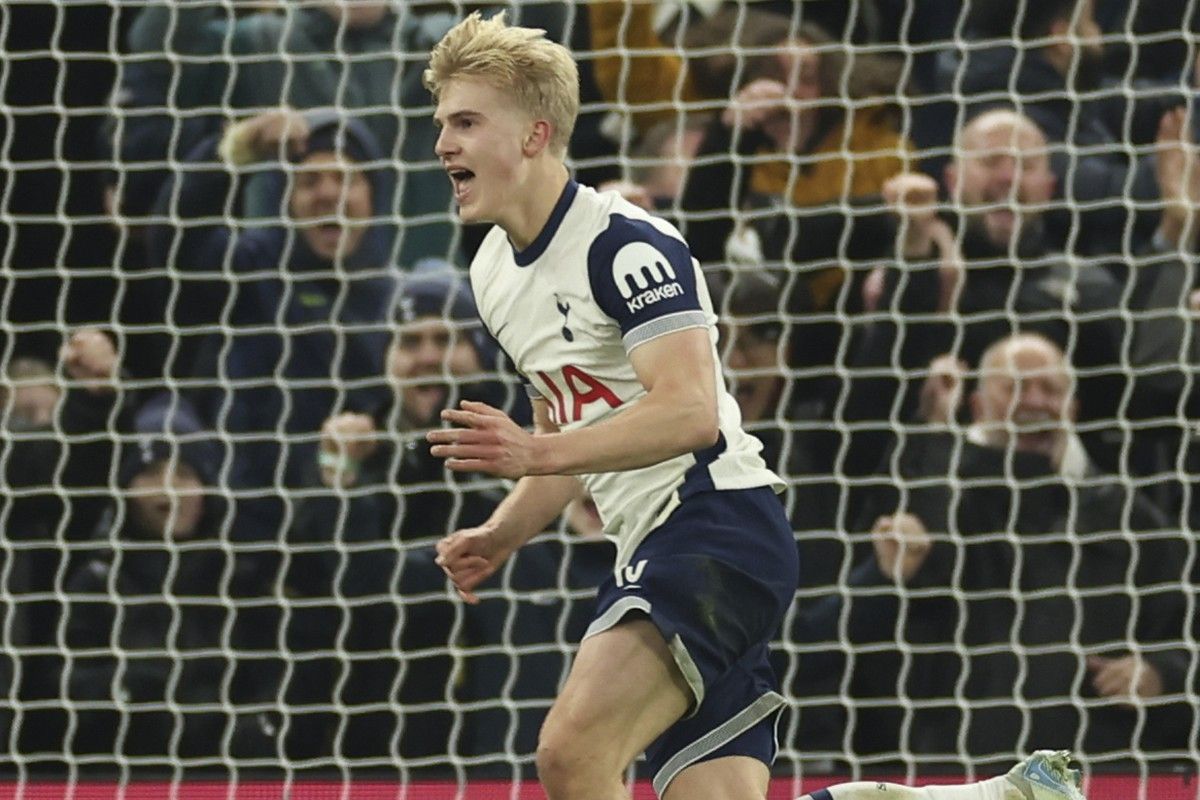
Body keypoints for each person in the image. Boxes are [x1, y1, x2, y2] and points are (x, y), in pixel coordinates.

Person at [422, 12, 1088, 800]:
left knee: (571, 754)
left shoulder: (625, 247)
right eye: (443, 123)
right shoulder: (493, 274)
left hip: (713, 526)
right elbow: (572, 437)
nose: (443, 144)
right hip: (661, 542)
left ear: (535, 134)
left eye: (466, 122)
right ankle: (1002, 796)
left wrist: (538, 452)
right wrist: (501, 533)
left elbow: (690, 413)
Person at [841, 333, 1191, 762]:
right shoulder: (932, 501)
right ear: (977, 406)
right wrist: (933, 430)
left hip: (1095, 769)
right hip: (948, 767)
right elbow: (860, 616)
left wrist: (1160, 674)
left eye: (1050, 389)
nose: (1035, 401)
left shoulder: (1126, 516)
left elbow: (1184, 634)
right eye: (1016, 387)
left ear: (1072, 408)